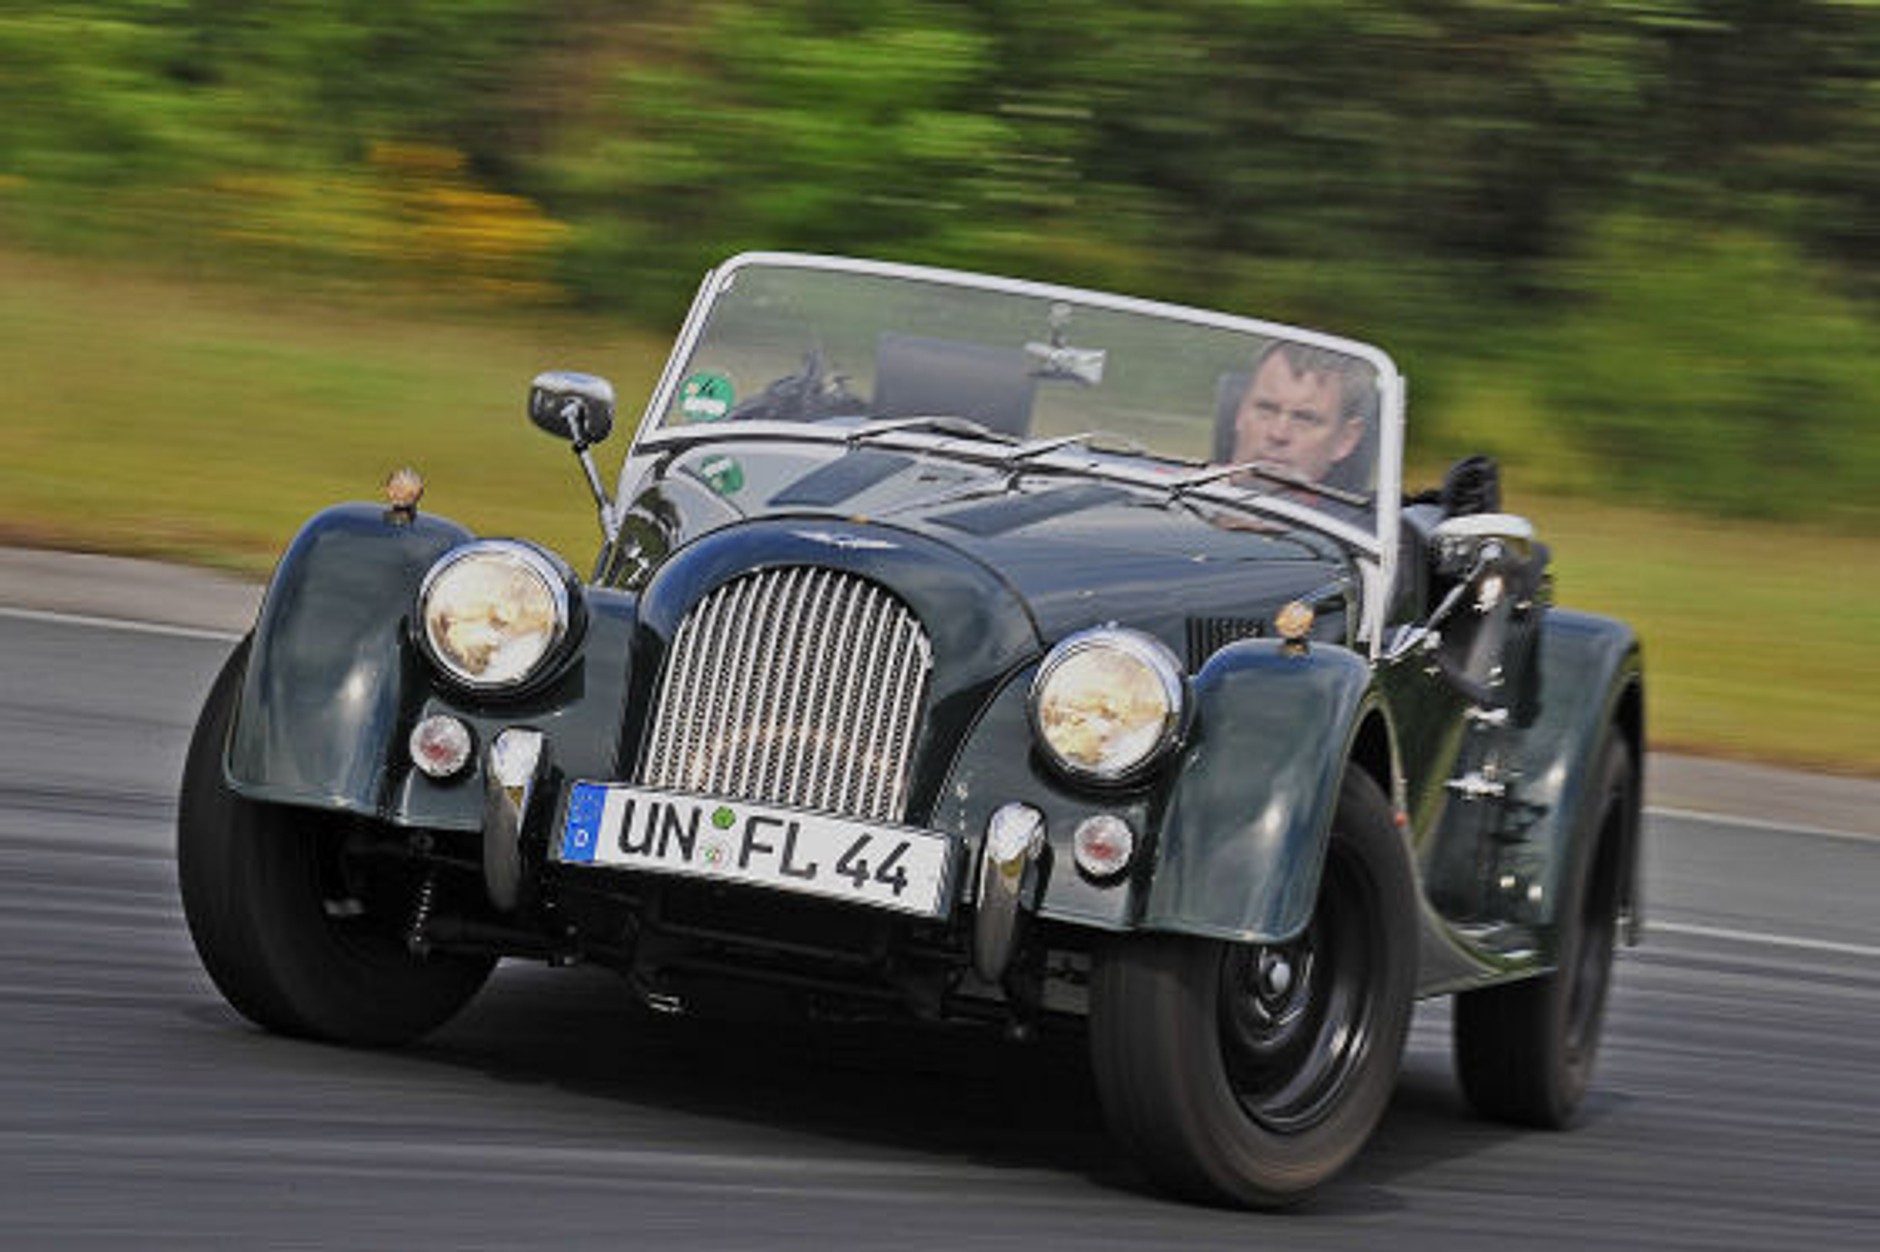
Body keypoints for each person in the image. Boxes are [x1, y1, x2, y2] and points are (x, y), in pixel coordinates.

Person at [1228, 340, 1376, 489]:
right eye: (1266, 409)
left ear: (1345, 439)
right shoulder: (1206, 485)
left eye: (1304, 419)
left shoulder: (1359, 511)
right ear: (1241, 412)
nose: (1278, 434)